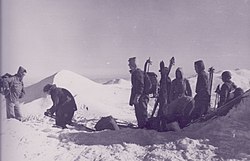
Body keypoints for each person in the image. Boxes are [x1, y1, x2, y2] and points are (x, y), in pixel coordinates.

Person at [128, 57, 149, 128]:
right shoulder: (136, 72)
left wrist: (137, 96)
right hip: (140, 97)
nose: (129, 65)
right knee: (139, 113)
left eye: (130, 63)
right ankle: (142, 127)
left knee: (142, 113)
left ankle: (144, 128)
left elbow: (140, 85)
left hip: (141, 97)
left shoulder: (137, 73)